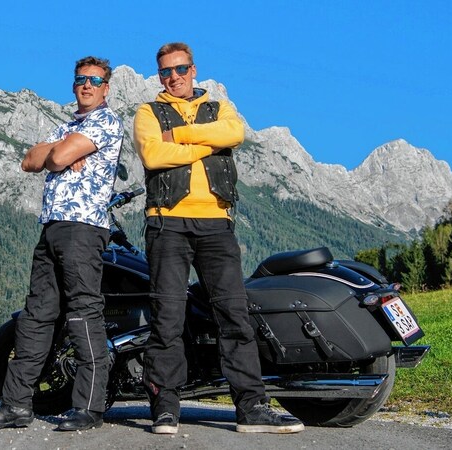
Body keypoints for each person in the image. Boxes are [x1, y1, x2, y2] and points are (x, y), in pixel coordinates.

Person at [133, 42, 304, 435]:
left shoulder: (219, 106)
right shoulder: (147, 112)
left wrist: (181, 135)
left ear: (194, 70)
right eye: (165, 72)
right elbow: (154, 156)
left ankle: (252, 408)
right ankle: (165, 409)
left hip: (216, 225)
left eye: (180, 69)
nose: (173, 77)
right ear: (159, 75)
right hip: (167, 225)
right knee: (168, 319)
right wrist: (209, 142)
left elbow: (235, 131)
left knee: (234, 315)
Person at [0, 56, 123, 432]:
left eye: (94, 80)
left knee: (83, 312)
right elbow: (30, 160)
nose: (86, 85)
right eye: (80, 79)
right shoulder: (66, 125)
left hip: (83, 228)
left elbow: (54, 155)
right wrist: (61, 151)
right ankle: (16, 406)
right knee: (36, 317)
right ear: (74, 85)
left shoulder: (107, 121)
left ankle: (88, 408)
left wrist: (57, 153)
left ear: (105, 88)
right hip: (52, 227)